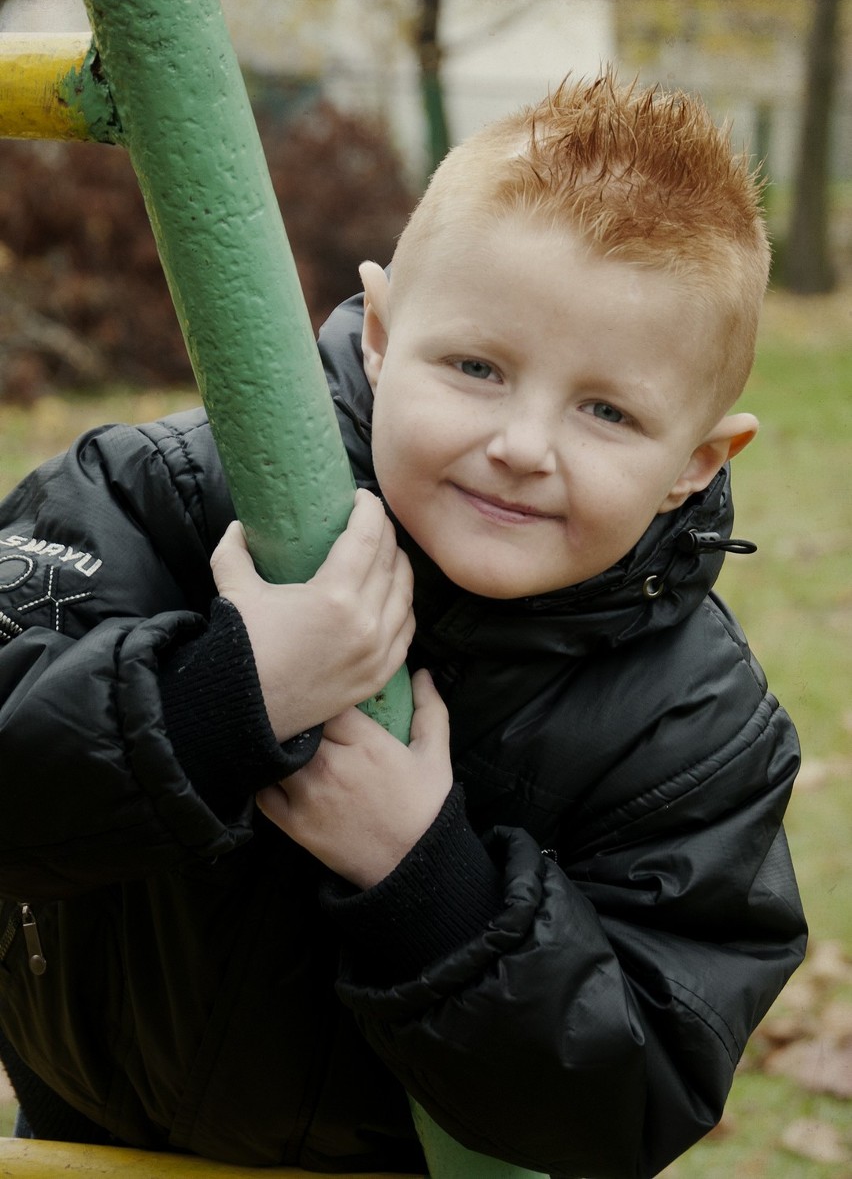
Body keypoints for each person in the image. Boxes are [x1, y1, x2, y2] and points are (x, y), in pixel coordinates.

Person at [0, 73, 806, 1178]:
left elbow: (630, 1097)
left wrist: (425, 877)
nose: (524, 445)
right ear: (380, 334)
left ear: (696, 464)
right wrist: (226, 692)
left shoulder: (693, 727)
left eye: (607, 410)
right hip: (79, 1132)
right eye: (477, 367)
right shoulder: (167, 496)